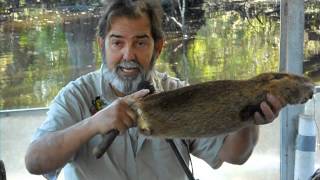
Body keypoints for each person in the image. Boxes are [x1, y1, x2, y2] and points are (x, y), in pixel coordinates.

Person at [24, 0, 284, 179]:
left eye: (140, 43)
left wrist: (250, 116)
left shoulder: (179, 93)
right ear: (101, 45)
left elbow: (235, 154)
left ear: (158, 47)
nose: (129, 55)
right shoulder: (76, 96)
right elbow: (35, 161)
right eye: (117, 43)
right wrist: (93, 124)